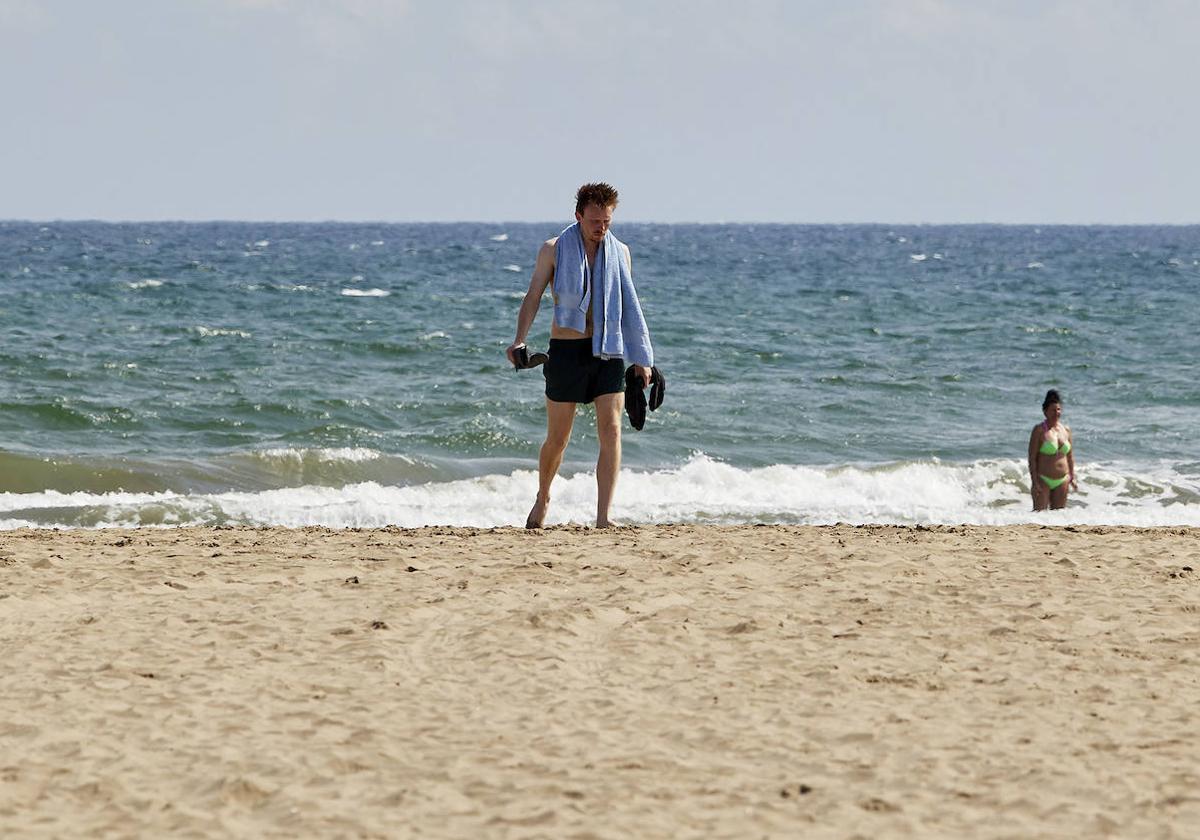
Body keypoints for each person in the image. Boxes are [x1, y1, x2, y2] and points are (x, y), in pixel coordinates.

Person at [505, 183, 654, 529]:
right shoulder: (554, 250)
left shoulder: (621, 253)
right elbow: (532, 296)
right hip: (567, 351)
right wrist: (519, 340)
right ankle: (543, 497)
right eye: (594, 222)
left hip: (608, 349)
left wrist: (641, 358)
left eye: (606, 222)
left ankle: (604, 517)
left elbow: (628, 308)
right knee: (558, 439)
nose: (601, 228)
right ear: (578, 216)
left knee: (612, 431)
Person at [1028, 389, 1077, 511]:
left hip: (1063, 479)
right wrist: (1034, 482)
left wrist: (1072, 477)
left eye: (1058, 410)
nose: (1056, 413)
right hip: (1043, 479)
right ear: (1045, 412)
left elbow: (1070, 457)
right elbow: (1032, 458)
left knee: (1058, 518)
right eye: (1053, 410)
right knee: (1039, 517)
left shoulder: (1066, 430)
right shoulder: (1039, 430)